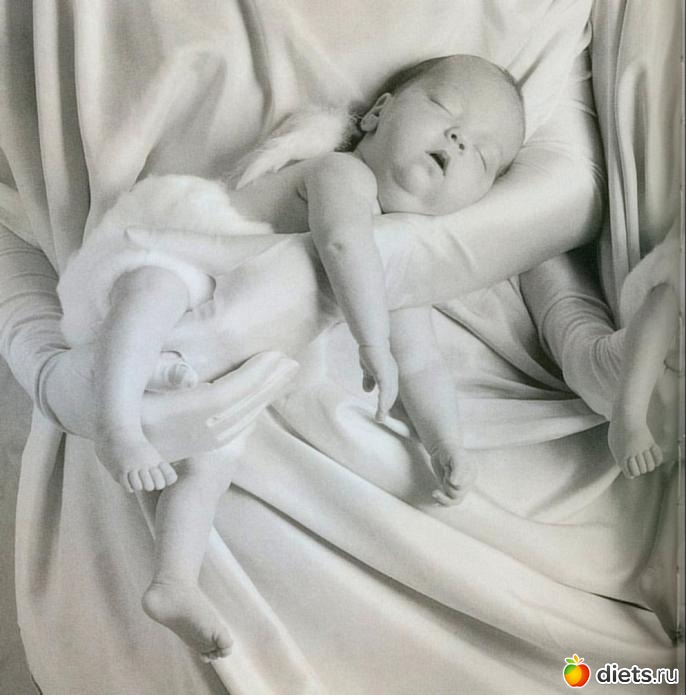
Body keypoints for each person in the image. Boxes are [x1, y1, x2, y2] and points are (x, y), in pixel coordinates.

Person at [57, 54, 525, 661]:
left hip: (231, 356)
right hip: (199, 262)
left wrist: (444, 441)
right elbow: (341, 243)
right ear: (378, 115)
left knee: (211, 464)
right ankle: (116, 426)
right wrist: (371, 342)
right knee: (153, 289)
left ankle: (173, 581)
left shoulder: (404, 261)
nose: (460, 140)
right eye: (444, 109)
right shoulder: (341, 173)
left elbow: (422, 362)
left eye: (483, 156)